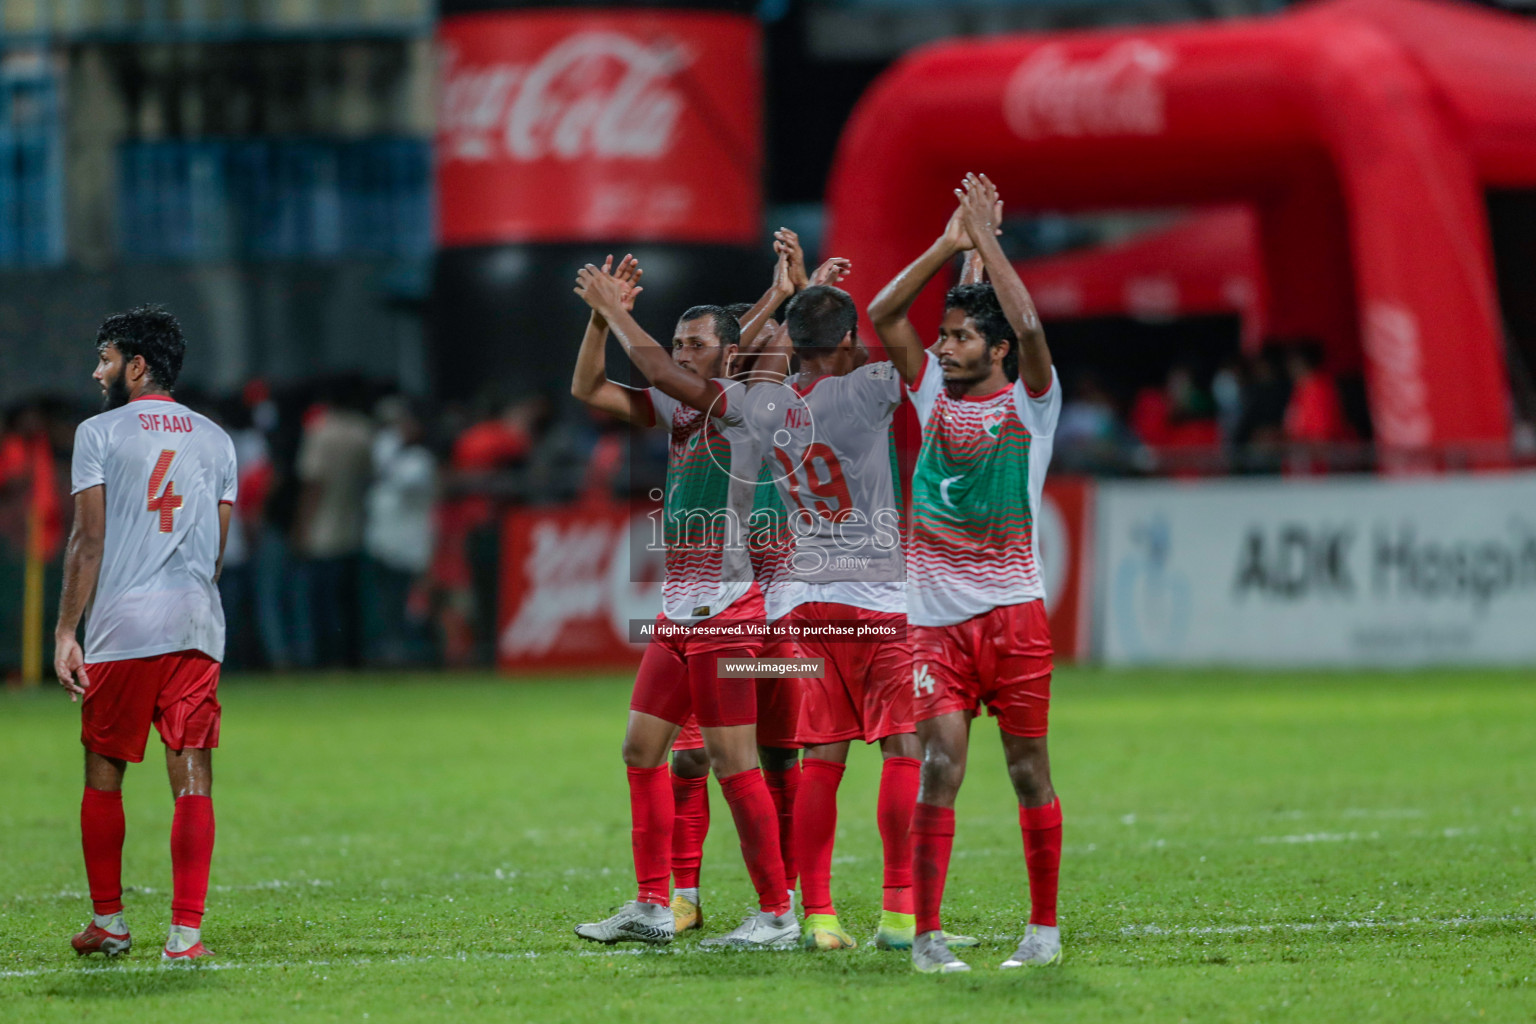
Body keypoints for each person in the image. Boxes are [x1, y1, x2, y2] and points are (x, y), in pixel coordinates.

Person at [568, 254, 796, 949]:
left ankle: (777, 913)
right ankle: (651, 904)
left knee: (734, 763)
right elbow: (588, 388)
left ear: (731, 354)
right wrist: (597, 322)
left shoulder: (744, 406)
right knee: (641, 749)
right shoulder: (681, 402)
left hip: (729, 612)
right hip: (679, 611)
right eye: (677, 342)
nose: (679, 353)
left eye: (696, 343)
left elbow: (665, 376)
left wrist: (615, 308)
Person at [869, 174, 1065, 974]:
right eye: (943, 337)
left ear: (996, 352)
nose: (943, 347)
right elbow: (883, 314)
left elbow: (1026, 319)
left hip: (1014, 615)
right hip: (935, 625)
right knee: (940, 765)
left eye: (956, 338)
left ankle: (1043, 934)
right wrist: (951, 245)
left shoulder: (1033, 405)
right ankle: (927, 938)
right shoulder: (928, 395)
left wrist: (988, 243)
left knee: (1027, 772)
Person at [740, 279, 945, 954]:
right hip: (878, 600)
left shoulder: (765, 406)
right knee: (902, 748)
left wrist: (779, 301)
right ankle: (897, 914)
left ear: (794, 345)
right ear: (850, 340)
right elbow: (936, 362)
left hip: (804, 600)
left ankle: (821, 916)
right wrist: (966, 262)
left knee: (822, 759)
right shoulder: (869, 389)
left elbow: (740, 362)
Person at [53, 305, 237, 963]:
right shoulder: (217, 439)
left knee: (104, 768)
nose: (97, 371)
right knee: (192, 775)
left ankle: (110, 923)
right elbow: (216, 551)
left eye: (105, 358)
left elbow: (88, 539)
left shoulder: (98, 432)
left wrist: (65, 631)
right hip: (195, 625)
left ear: (136, 365)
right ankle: (185, 936)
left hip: (124, 626)